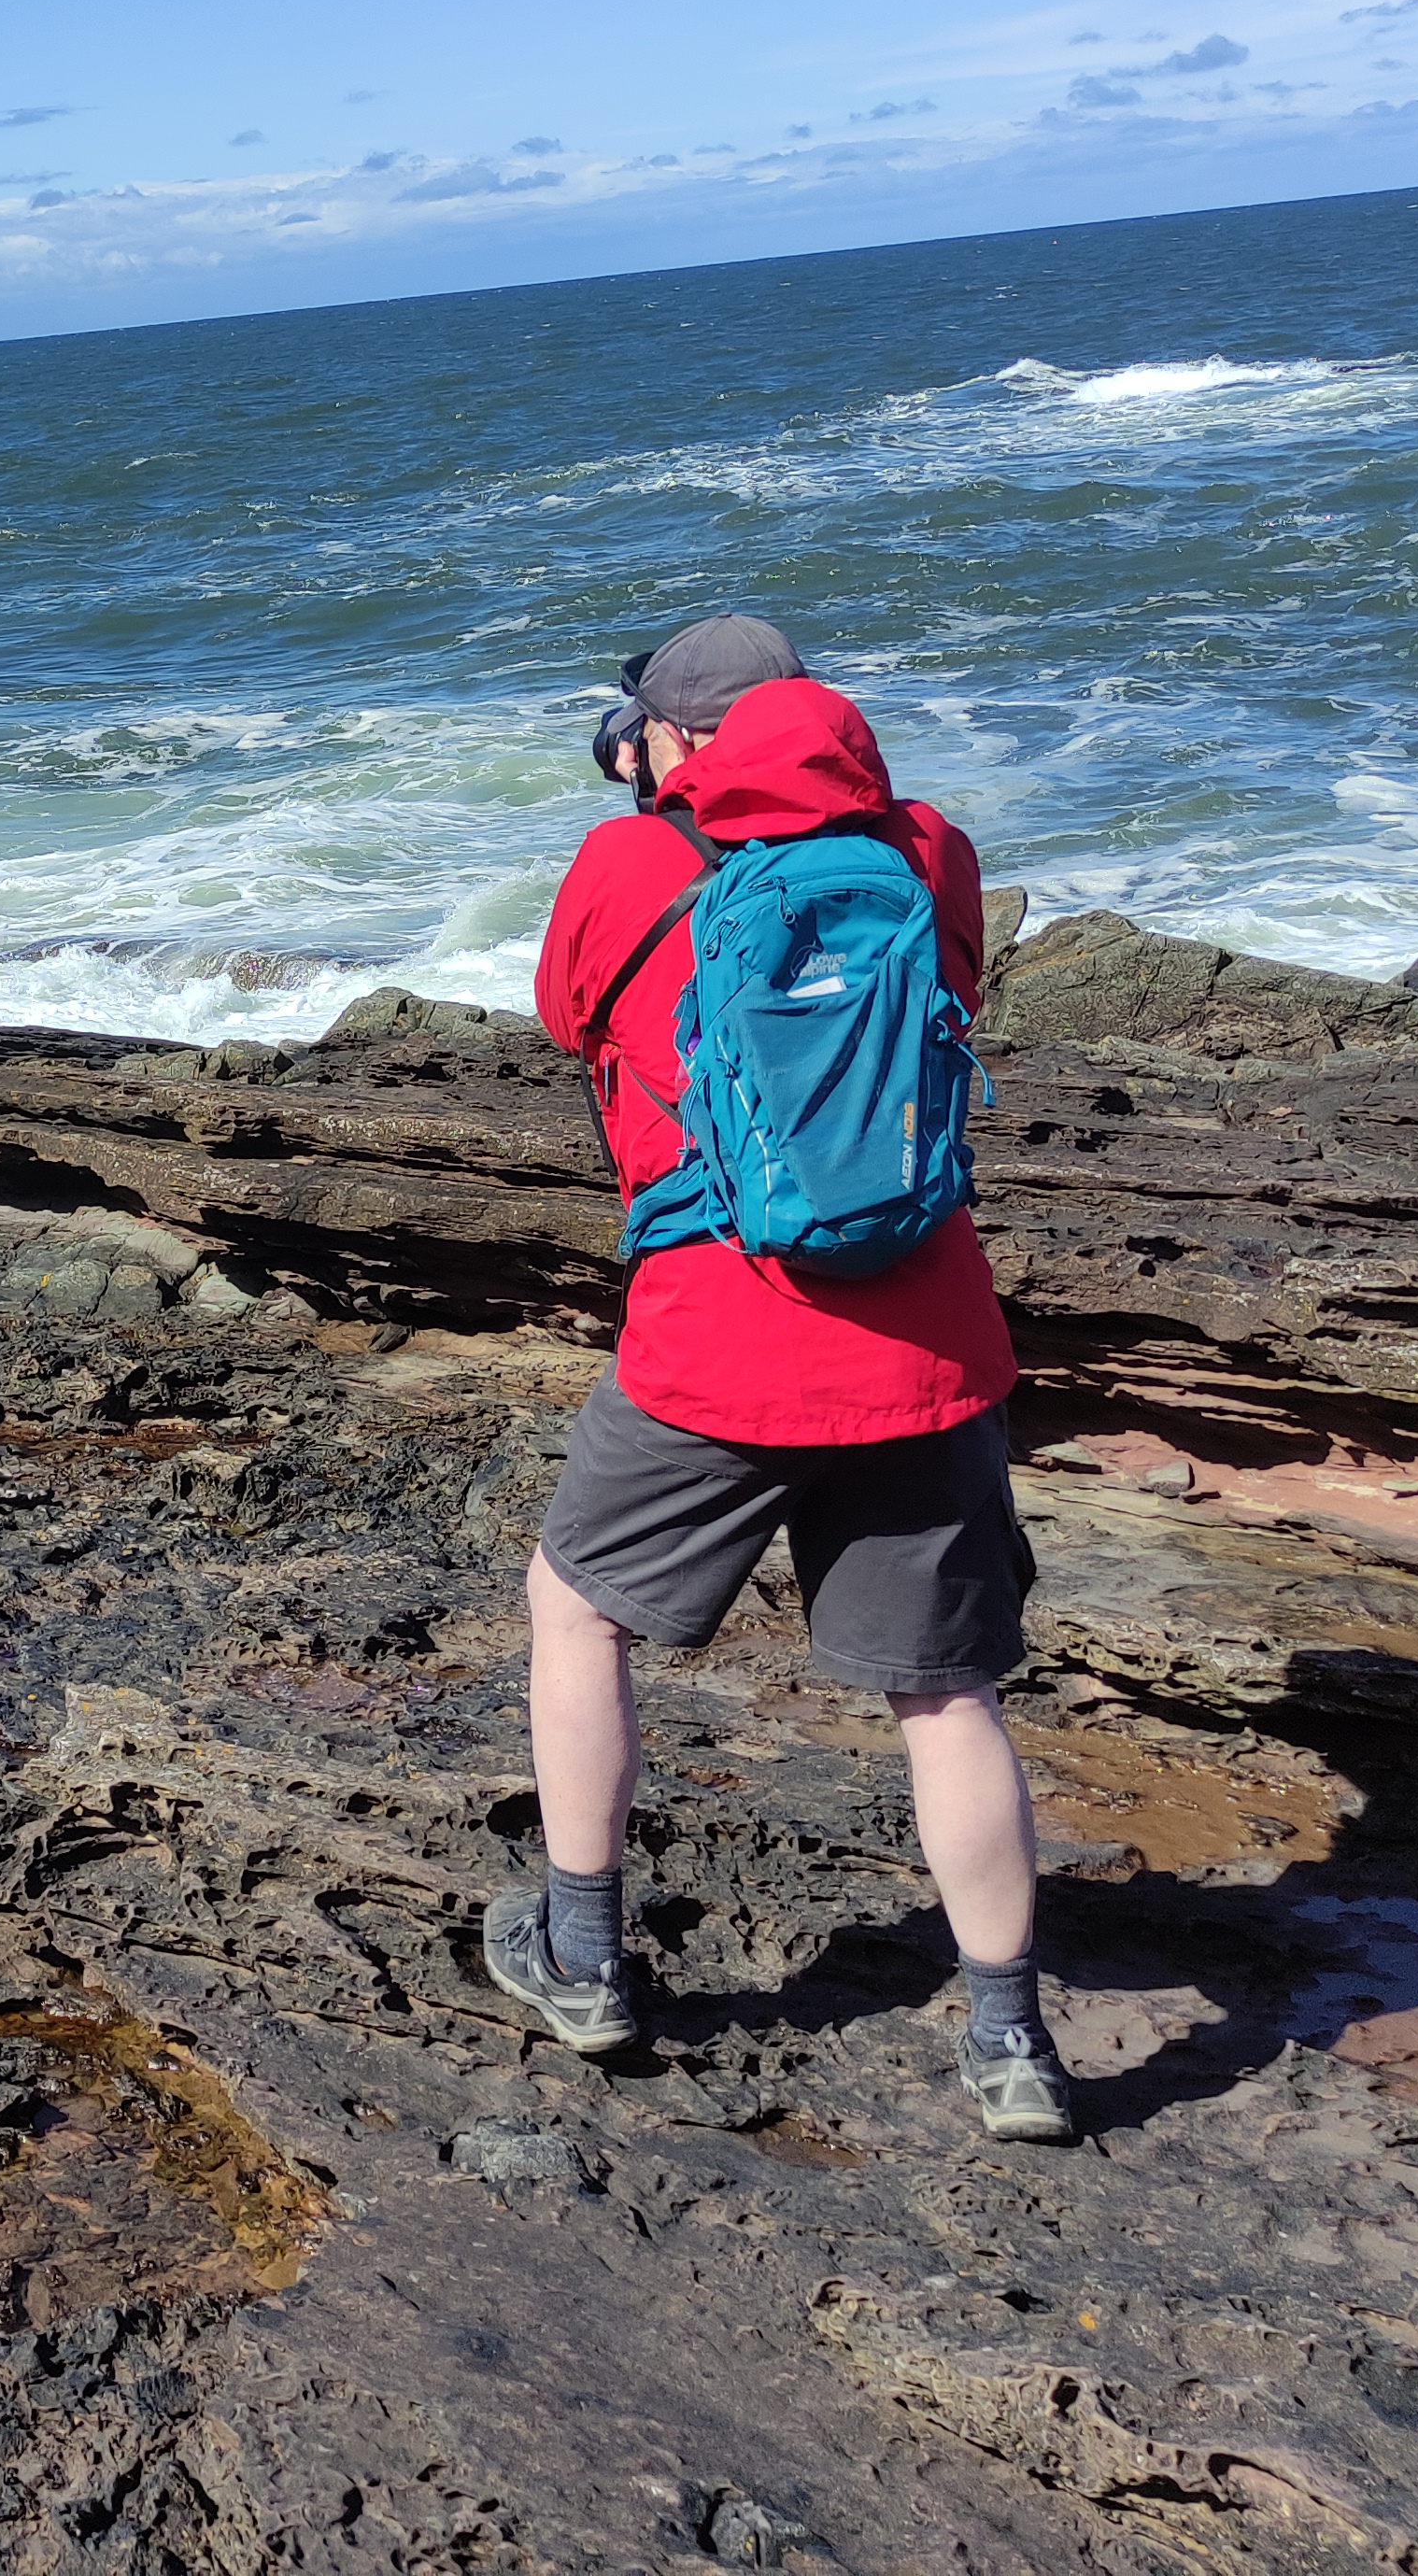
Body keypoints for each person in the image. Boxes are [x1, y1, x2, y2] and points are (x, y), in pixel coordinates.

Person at [485, 613, 1073, 2143]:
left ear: (673, 743)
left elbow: (571, 1015)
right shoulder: (929, 854)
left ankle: (585, 1957)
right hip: (927, 1339)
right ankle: (1011, 2047)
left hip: (720, 1332)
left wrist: (652, 814)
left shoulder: (631, 866)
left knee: (578, 1606)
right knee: (946, 1698)